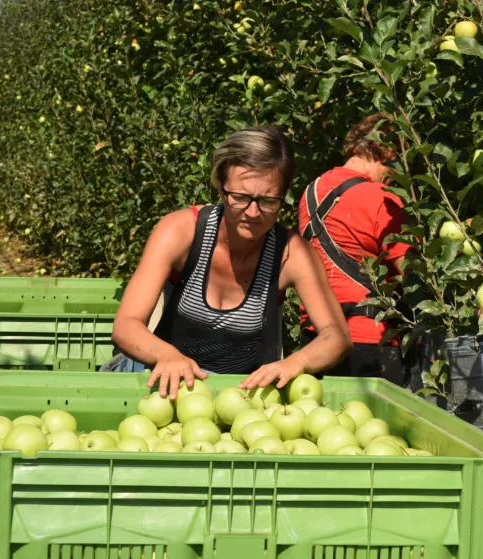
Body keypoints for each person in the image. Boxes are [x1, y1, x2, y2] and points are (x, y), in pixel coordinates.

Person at [110, 126, 352, 398]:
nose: (253, 212)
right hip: (162, 387)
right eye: (240, 198)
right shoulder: (181, 232)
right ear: (220, 188)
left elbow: (337, 336)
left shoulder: (291, 254)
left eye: (268, 201)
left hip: (237, 397)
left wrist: (296, 362)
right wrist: (166, 355)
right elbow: (126, 324)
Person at [297, 113, 412, 385]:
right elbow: (412, 272)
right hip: (370, 339)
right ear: (387, 151)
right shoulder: (383, 198)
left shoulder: (310, 193)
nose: (394, 177)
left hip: (316, 337)